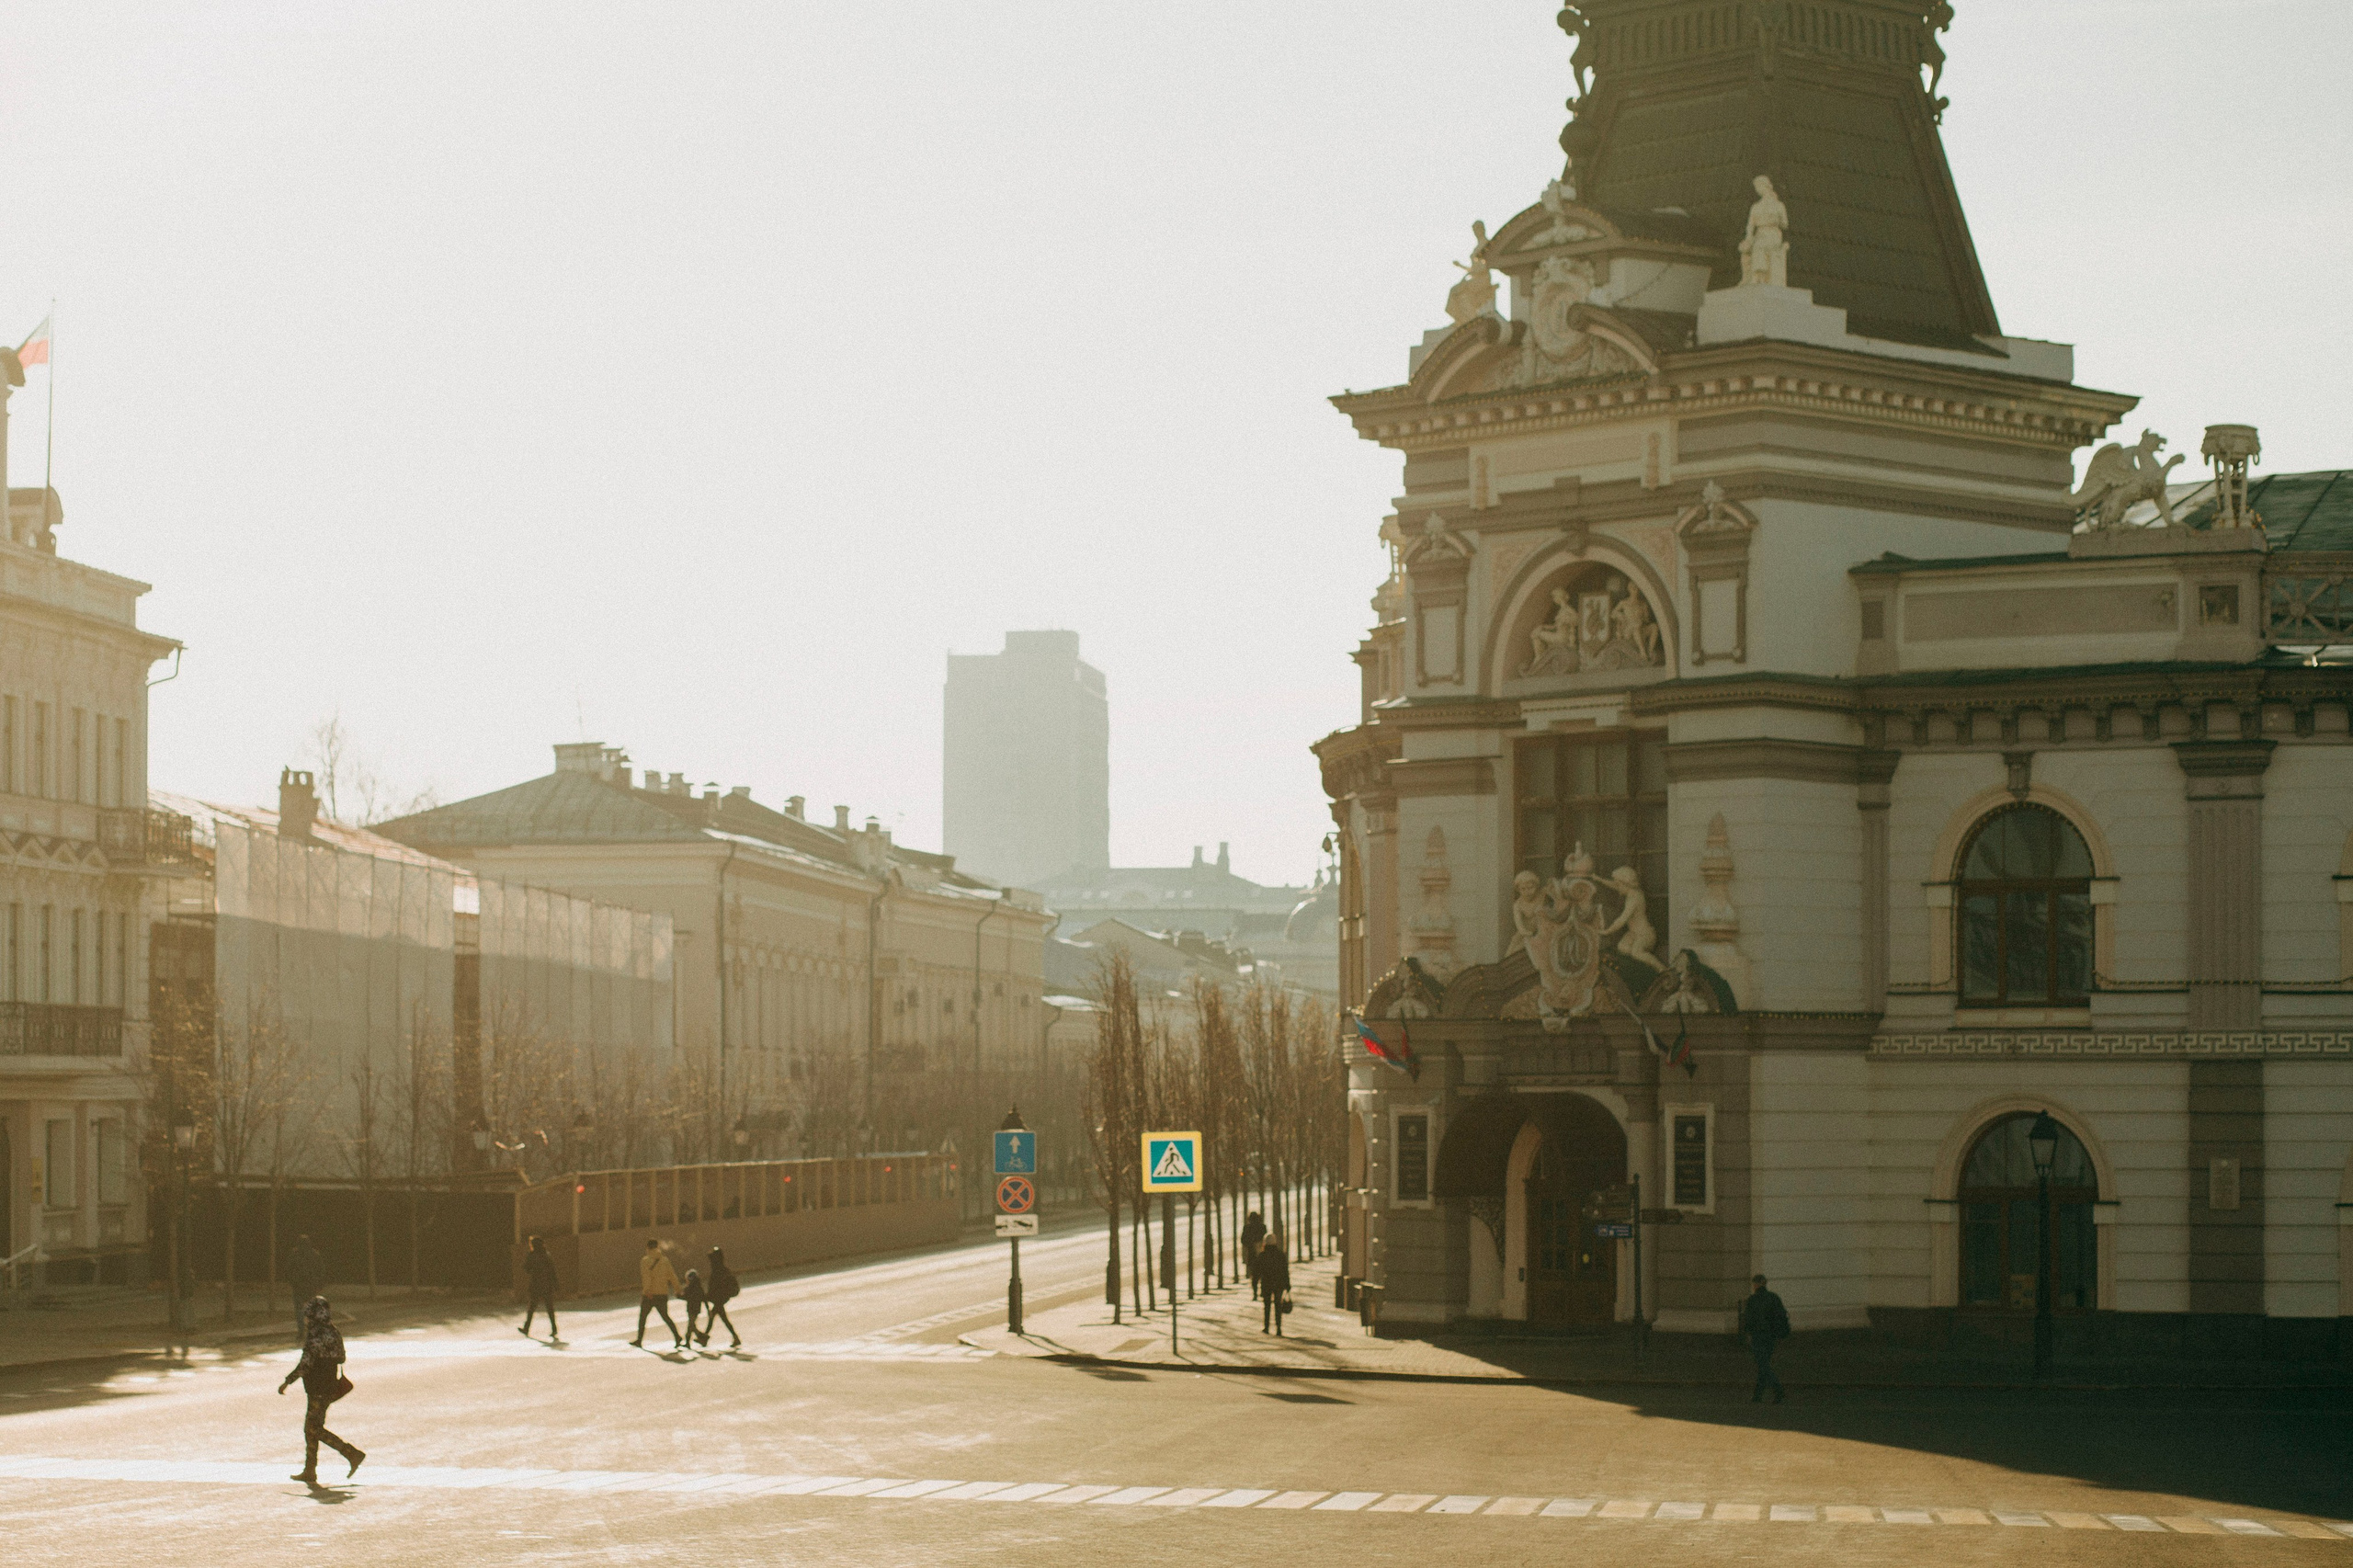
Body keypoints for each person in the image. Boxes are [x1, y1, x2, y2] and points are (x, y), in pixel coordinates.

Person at [277, 1296, 364, 1483]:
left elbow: (306, 1363)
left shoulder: (315, 1335)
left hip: (317, 1387)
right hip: (330, 1385)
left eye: (307, 1315)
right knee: (313, 1428)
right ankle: (310, 1470)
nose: (306, 1319)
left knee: (313, 1428)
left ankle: (351, 1453)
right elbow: (341, 1358)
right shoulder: (333, 1331)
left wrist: (287, 1381)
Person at [1742, 1273, 1790, 1403]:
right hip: (1771, 1336)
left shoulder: (1752, 1300)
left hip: (1758, 1336)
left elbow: (1748, 1320)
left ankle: (1778, 1389)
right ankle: (1758, 1395)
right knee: (1764, 1364)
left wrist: (1747, 1334)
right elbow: (1781, 1315)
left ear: (1755, 1285)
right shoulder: (1774, 1297)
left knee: (1762, 1365)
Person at [631, 1238, 684, 1350]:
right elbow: (672, 1275)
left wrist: (647, 1291)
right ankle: (677, 1336)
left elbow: (646, 1277)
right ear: (657, 1247)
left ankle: (639, 1340)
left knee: (643, 1317)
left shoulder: (645, 1260)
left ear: (647, 1247)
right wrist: (678, 1289)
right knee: (666, 1317)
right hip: (662, 1293)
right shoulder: (664, 1260)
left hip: (650, 1294)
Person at [285, 1234, 325, 1340]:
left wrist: (292, 1282)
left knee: (299, 1310)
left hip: (298, 1286)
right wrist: (319, 1284)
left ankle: (301, 1331)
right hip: (311, 1286)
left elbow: (289, 1269)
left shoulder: (294, 1254)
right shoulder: (315, 1255)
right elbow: (321, 1270)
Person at [701, 1246, 742, 1348]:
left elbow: (714, 1286)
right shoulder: (723, 1269)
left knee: (718, 1318)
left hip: (719, 1298)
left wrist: (708, 1296)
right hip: (721, 1297)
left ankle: (705, 1338)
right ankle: (705, 1338)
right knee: (720, 1318)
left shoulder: (717, 1270)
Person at [520, 1234, 559, 1340]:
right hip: (547, 1285)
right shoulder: (547, 1255)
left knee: (531, 1308)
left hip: (536, 1285)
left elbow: (526, 1269)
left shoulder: (532, 1256)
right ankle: (554, 1328)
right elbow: (553, 1271)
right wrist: (556, 1285)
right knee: (550, 1308)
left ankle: (526, 1328)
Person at [1258, 1230, 1292, 1336]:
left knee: (1267, 1306)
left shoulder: (1263, 1255)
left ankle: (1266, 1327)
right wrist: (1287, 1284)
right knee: (1278, 1305)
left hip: (1266, 1284)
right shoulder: (1280, 1255)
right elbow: (1285, 1271)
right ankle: (1278, 1328)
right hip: (1278, 1284)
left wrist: (1255, 1285)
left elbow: (1258, 1271)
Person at [1240, 1210, 1267, 1300]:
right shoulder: (1263, 1227)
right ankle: (1262, 1292)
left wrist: (1250, 1244)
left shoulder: (1247, 1228)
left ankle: (1255, 1293)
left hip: (1252, 1255)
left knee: (1254, 1276)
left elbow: (1243, 1240)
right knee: (1263, 1274)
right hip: (1262, 1255)